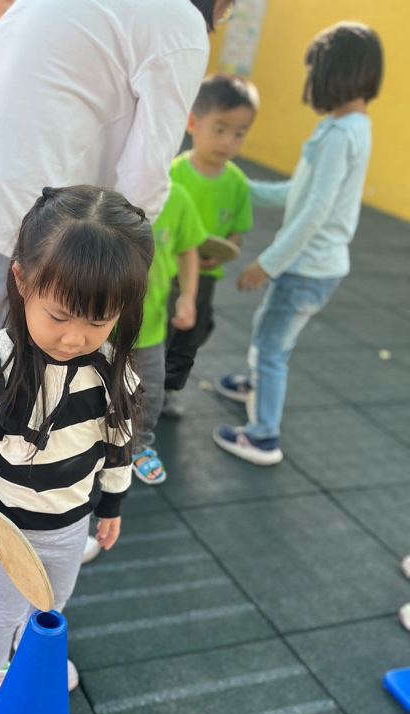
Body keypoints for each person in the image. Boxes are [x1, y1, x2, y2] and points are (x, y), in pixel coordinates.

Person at [0, 185, 153, 714]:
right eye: (60, 316)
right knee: (4, 611)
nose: (75, 338)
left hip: (70, 524)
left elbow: (117, 442)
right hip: (6, 526)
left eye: (98, 321)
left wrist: (112, 505)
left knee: (50, 606)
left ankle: (32, 662)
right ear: (22, 280)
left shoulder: (110, 370)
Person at [0, 0, 235, 386]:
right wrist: (123, 268)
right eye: (227, 10)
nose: (221, 17)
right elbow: (146, 174)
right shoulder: (180, 20)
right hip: (22, 222)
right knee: (34, 390)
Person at [214, 22, 384, 465]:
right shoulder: (348, 126)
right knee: (269, 333)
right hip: (317, 265)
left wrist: (267, 263)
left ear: (333, 73)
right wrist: (243, 188)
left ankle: (263, 436)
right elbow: (299, 192)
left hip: (306, 268)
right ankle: (255, 385)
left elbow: (314, 212)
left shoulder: (339, 135)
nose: (309, 81)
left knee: (272, 347)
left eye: (313, 71)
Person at [161, 72, 258, 418]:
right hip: (166, 272)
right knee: (155, 330)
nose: (227, 141)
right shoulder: (173, 173)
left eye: (239, 133)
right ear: (193, 124)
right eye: (219, 129)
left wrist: (225, 249)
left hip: (205, 279)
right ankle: (135, 385)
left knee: (190, 334)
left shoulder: (237, 184)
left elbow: (237, 233)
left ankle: (169, 389)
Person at [132, 183, 206, 485]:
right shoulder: (101, 187)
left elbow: (188, 250)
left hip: (150, 328)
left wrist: (187, 295)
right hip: (98, 328)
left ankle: (138, 445)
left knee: (150, 391)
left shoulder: (177, 197)